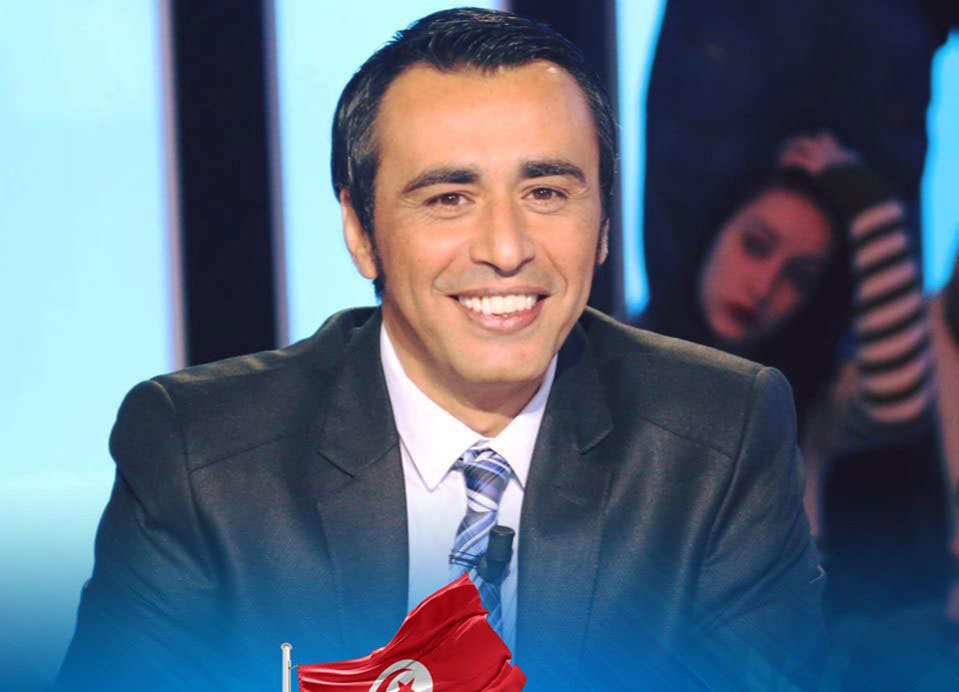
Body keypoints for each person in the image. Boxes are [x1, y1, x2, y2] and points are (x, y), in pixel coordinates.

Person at [57, 8, 823, 691]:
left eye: (546, 193)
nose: (505, 249)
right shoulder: (201, 454)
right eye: (448, 198)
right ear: (361, 232)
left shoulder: (718, 434)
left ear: (602, 225)